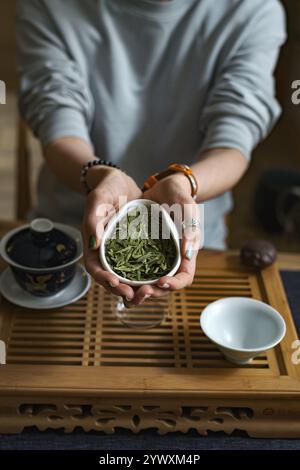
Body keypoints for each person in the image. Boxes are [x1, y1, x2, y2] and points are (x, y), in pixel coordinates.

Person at [16, 0, 286, 305]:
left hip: (190, 238)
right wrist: (100, 176)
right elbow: (57, 118)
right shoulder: (49, 5)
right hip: (67, 242)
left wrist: (183, 183)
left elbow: (234, 139)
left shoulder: (251, 9)